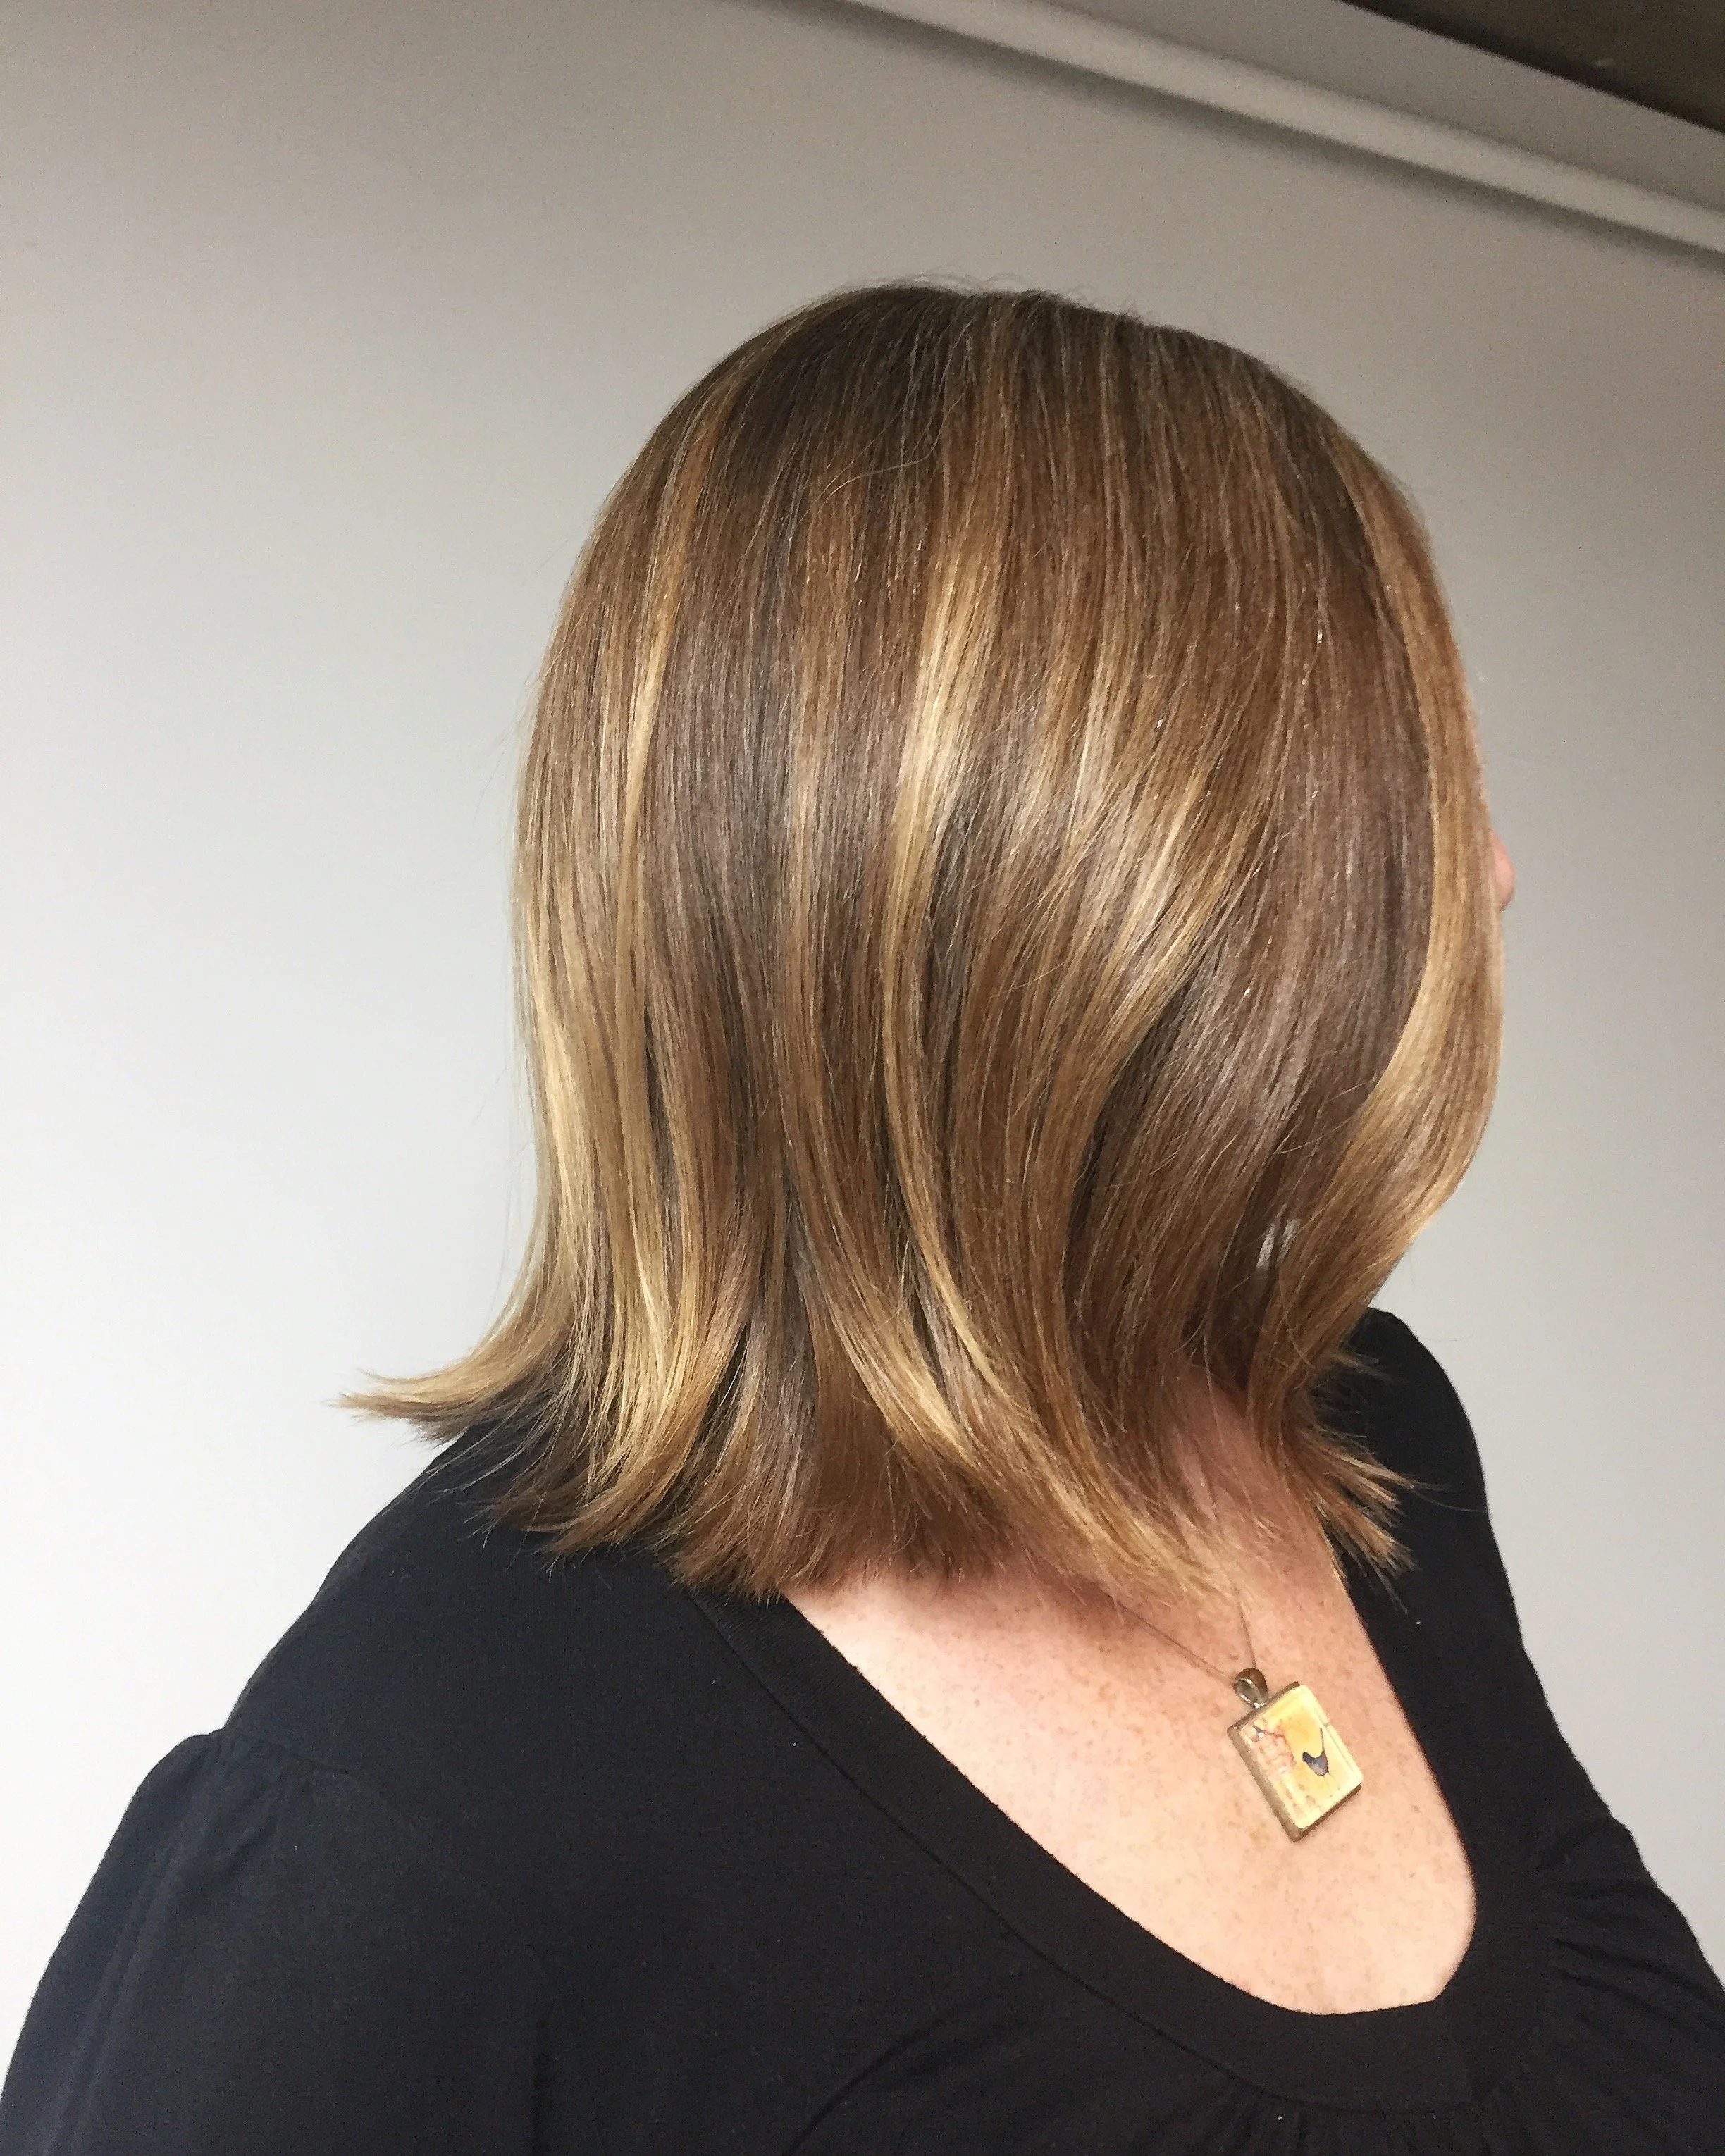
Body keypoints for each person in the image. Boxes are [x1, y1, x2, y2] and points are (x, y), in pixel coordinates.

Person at [3, 283, 1719, 2154]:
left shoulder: (1371, 1442)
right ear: (1094, 880)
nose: (1494, 872)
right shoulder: (420, 1811)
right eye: (1409, 799)